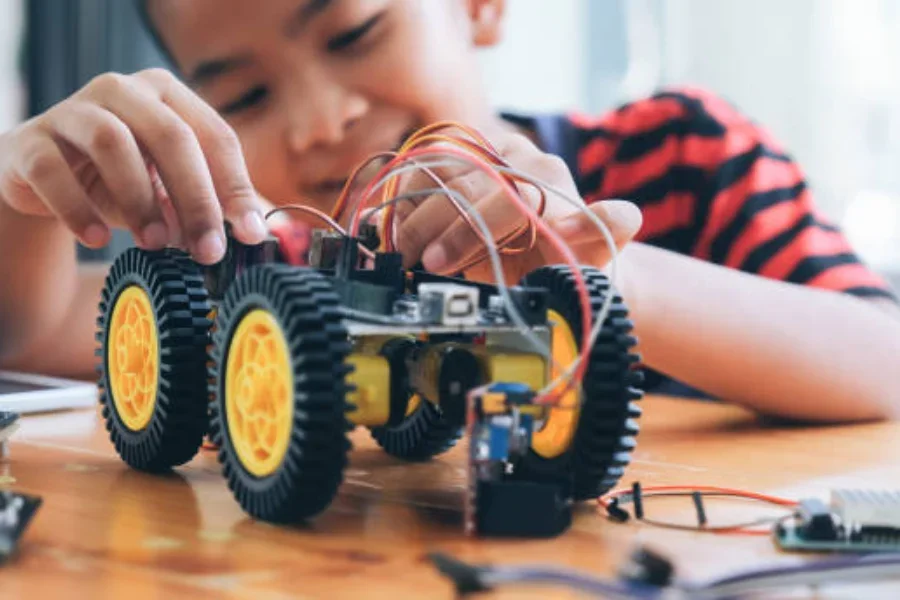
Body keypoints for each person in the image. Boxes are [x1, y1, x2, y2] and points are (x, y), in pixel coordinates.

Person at [0, 0, 897, 422]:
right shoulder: (273, 271)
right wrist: (22, 201)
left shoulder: (683, 159)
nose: (321, 123)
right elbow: (27, 330)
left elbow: (885, 364)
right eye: (245, 96)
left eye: (355, 34)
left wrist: (589, 272)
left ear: (480, 7)